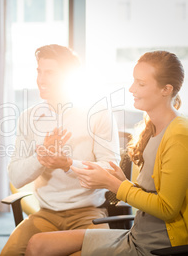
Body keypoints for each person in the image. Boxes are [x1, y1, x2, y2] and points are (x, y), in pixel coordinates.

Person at [25, 50, 188, 256]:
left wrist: (114, 185)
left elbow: (167, 208)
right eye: (133, 81)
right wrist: (124, 182)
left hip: (156, 246)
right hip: (136, 235)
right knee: (38, 244)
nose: (131, 89)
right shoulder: (153, 129)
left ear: (166, 89)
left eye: (141, 84)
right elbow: (153, 192)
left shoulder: (179, 134)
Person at [0, 44, 121, 256]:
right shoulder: (29, 117)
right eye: (39, 71)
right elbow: (16, 177)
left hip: (88, 213)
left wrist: (68, 164)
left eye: (49, 73)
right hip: (46, 214)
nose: (41, 79)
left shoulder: (98, 112)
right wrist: (41, 158)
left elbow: (111, 169)